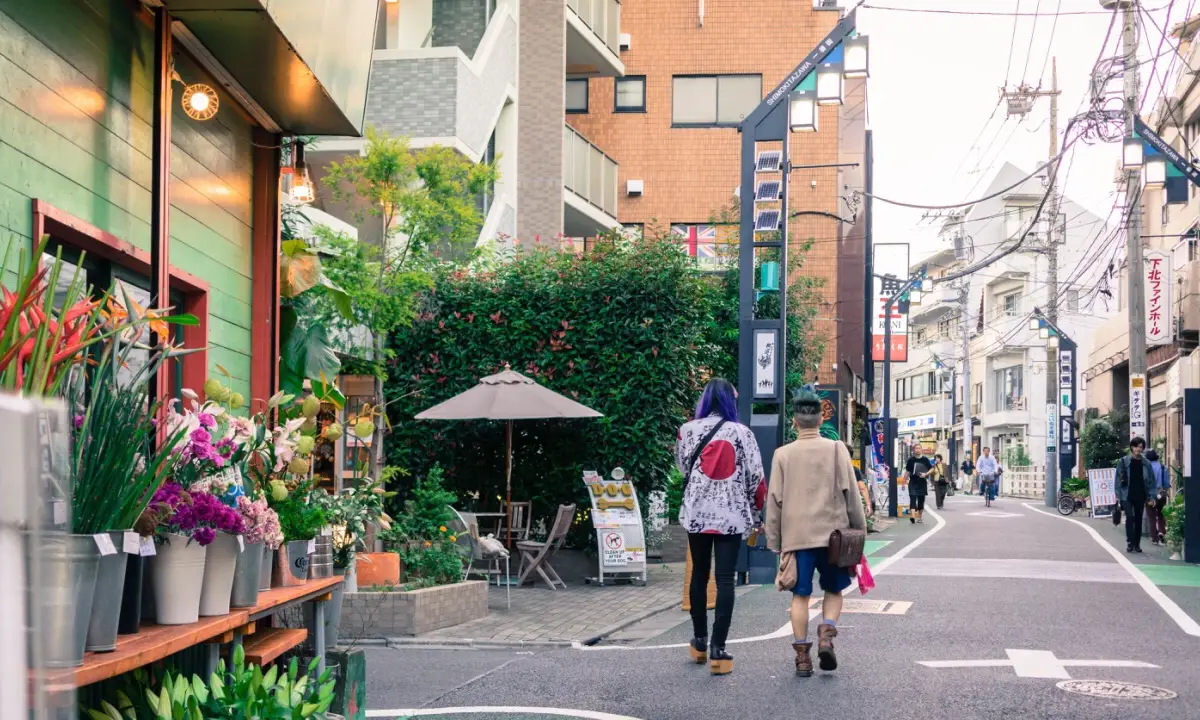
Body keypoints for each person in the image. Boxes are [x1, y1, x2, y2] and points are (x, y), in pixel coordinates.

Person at [765, 387, 867, 677]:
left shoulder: (782, 455)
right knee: (834, 590)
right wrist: (859, 531)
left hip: (797, 538)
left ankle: (802, 659)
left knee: (800, 596)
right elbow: (852, 496)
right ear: (821, 420)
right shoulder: (836, 450)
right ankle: (827, 634)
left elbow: (775, 500)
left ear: (795, 422)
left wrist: (775, 540)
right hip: (834, 536)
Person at [675, 377, 765, 675]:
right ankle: (718, 649)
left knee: (699, 575)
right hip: (731, 514)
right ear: (731, 401)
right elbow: (756, 480)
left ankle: (699, 641)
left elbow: (681, 468)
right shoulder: (743, 433)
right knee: (725, 579)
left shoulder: (686, 431)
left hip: (697, 512)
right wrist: (757, 514)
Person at [1115, 437, 1157, 553]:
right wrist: (1117, 494)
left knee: (1138, 519)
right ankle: (1130, 542)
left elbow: (1151, 481)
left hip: (1140, 494)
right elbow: (1118, 478)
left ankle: (1137, 544)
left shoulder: (1146, 463)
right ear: (1132, 447)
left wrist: (1152, 496)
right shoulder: (1123, 461)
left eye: (1140, 447)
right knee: (1130, 517)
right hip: (1126, 494)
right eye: (1136, 446)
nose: (1138, 449)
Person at [1145, 449, 1170, 545]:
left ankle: (1154, 538)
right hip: (1161, 494)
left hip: (1149, 496)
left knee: (1151, 517)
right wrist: (1165, 491)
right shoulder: (1163, 467)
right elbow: (1166, 484)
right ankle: (1161, 532)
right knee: (1161, 514)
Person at [904, 448, 931, 523]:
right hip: (913, 481)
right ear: (914, 450)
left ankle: (920, 517)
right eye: (916, 448)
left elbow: (932, 469)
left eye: (919, 448)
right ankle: (912, 516)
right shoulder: (911, 460)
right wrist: (903, 482)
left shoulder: (925, 460)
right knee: (912, 498)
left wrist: (926, 474)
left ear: (921, 450)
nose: (917, 450)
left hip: (922, 482)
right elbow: (907, 471)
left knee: (921, 501)